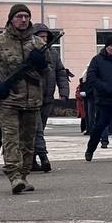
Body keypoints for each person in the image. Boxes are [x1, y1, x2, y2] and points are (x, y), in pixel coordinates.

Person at [0, 3, 50, 194]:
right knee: (10, 139)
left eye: (26, 16)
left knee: (28, 142)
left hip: (32, 101)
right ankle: (14, 176)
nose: (23, 20)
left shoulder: (38, 44)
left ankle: (23, 176)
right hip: (8, 100)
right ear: (11, 19)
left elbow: (48, 71)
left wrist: (42, 65)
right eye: (19, 16)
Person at [32, 23, 70, 172]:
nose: (44, 39)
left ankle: (32, 159)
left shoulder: (53, 53)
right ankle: (43, 157)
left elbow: (60, 72)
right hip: (32, 97)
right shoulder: (30, 52)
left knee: (40, 128)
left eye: (46, 37)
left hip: (47, 97)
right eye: (41, 36)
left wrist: (64, 92)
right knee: (36, 129)